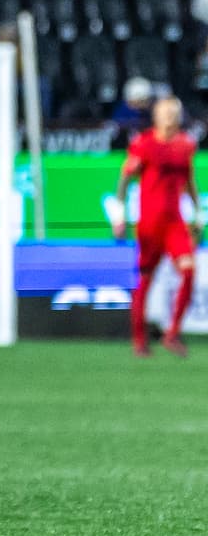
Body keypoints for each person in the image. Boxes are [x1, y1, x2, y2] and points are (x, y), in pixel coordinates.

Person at [112, 97, 201, 357]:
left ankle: (172, 333)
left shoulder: (186, 145)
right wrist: (119, 216)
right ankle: (139, 341)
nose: (170, 116)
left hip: (175, 223)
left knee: (188, 271)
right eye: (165, 112)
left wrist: (197, 212)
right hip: (150, 224)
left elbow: (189, 180)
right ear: (156, 116)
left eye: (174, 112)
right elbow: (125, 179)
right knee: (145, 280)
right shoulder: (144, 144)